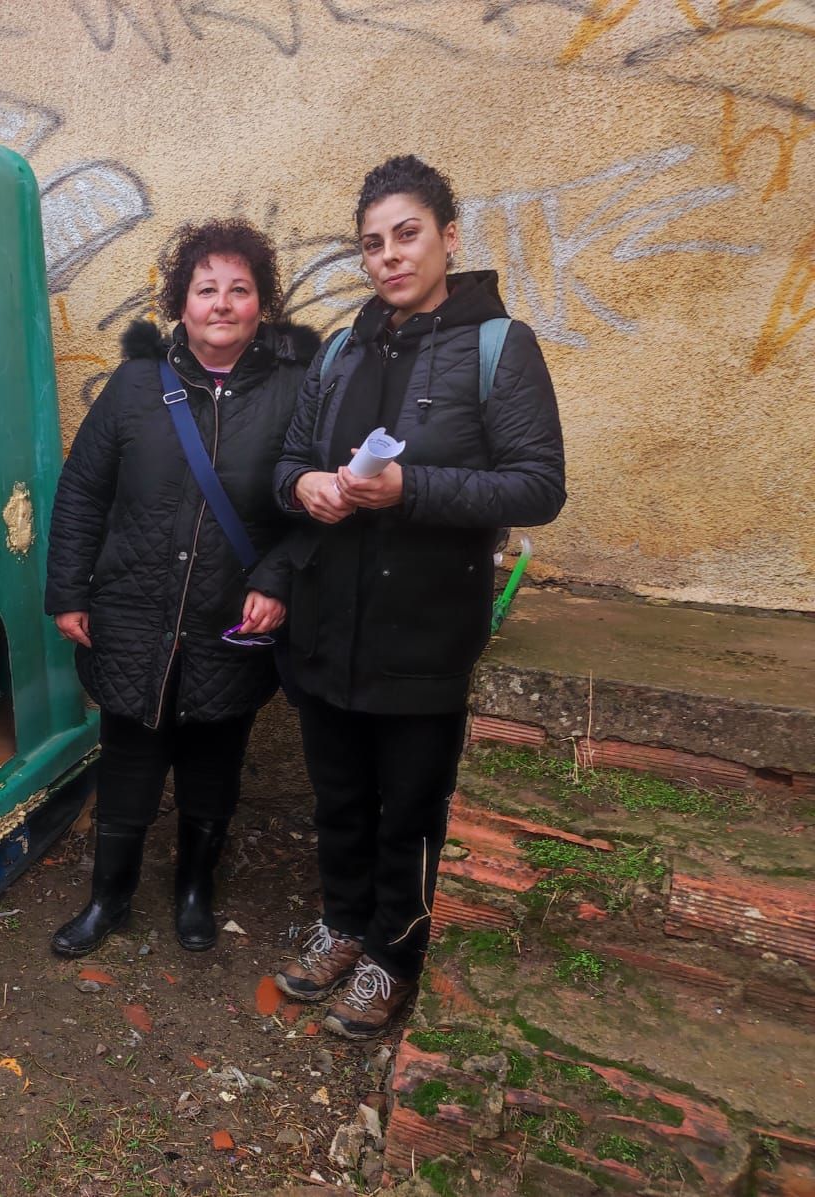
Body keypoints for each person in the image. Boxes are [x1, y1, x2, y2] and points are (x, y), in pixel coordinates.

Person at [272, 156, 565, 1038]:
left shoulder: (497, 347)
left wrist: (414, 489)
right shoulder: (341, 349)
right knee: (337, 796)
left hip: (427, 630)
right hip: (330, 624)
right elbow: (286, 464)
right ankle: (343, 922)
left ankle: (394, 954)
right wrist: (309, 487)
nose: (389, 257)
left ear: (447, 237)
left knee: (412, 806)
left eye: (407, 235)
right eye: (372, 243)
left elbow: (537, 488)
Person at [45, 218, 319, 956]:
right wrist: (68, 590)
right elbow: (81, 492)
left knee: (214, 760)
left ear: (262, 304)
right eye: (206, 289)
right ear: (181, 303)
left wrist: (278, 577)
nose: (222, 303)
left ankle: (195, 893)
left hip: (232, 616)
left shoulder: (297, 393)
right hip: (132, 609)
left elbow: (315, 507)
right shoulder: (135, 387)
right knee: (129, 753)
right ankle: (109, 899)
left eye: (240, 289)